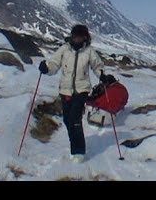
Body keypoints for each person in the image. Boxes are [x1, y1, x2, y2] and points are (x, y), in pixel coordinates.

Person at [38, 24, 107, 163]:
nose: (78, 38)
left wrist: (103, 76)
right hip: (65, 90)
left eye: (81, 36)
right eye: (76, 35)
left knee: (75, 120)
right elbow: (54, 64)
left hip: (82, 91)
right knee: (67, 120)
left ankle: (79, 152)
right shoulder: (64, 49)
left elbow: (97, 67)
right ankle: (73, 146)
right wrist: (46, 68)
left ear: (85, 37)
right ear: (72, 35)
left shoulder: (89, 52)